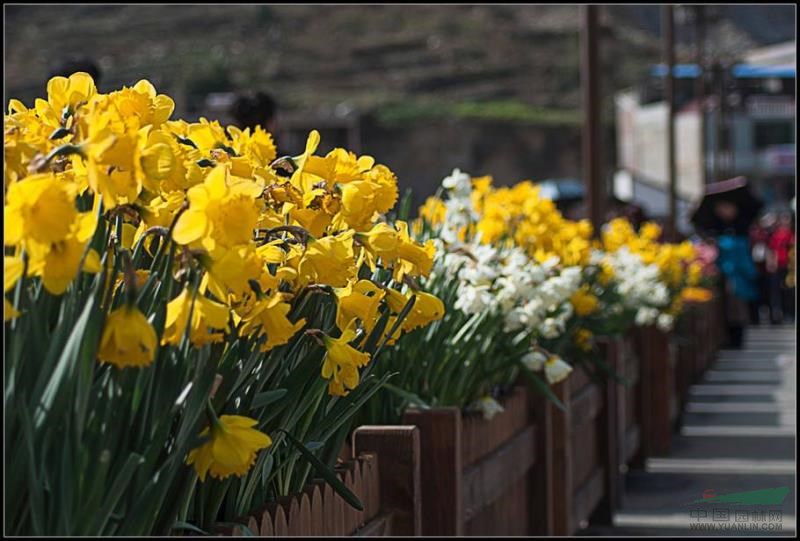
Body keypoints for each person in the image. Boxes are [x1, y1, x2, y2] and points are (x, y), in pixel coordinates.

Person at [713, 200, 758, 348]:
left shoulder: (741, 227)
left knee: (737, 308)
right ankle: (728, 337)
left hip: (737, 275)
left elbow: (742, 253)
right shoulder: (718, 227)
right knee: (727, 308)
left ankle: (737, 339)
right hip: (725, 274)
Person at [767, 212, 795, 324]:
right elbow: (771, 250)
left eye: (787, 219)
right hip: (778, 267)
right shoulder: (775, 235)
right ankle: (777, 314)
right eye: (783, 219)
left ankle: (790, 313)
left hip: (790, 268)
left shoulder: (792, 234)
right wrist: (771, 262)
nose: (785, 222)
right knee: (776, 291)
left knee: (789, 291)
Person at [748, 212, 775, 324]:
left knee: (768, 293)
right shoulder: (751, 233)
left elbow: (770, 248)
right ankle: (754, 318)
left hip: (764, 266)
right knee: (754, 293)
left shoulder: (766, 234)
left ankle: (771, 316)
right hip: (753, 266)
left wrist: (771, 261)